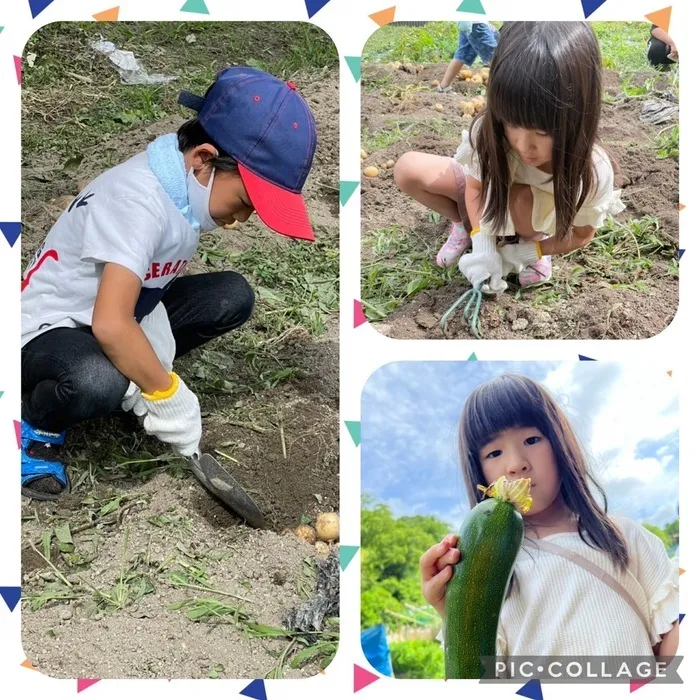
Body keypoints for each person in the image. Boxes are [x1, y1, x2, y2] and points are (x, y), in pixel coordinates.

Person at [21, 66, 318, 500]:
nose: (242, 219)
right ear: (203, 159)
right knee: (95, 379)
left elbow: (146, 292)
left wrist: (151, 356)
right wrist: (163, 389)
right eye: (244, 202)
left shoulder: (184, 191)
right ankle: (35, 424)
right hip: (50, 327)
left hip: (116, 309)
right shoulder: (136, 201)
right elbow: (109, 324)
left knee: (230, 296)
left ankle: (126, 375)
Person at [420, 374, 679, 672]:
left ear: (559, 445)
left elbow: (672, 632)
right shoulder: (483, 567)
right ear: (480, 472)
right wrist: (454, 611)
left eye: (531, 439)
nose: (516, 463)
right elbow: (477, 676)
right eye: (494, 452)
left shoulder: (622, 535)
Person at [394, 22, 625, 289]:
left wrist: (525, 253)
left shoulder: (593, 171)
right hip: (491, 196)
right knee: (408, 169)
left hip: (527, 212)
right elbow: (476, 186)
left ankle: (527, 241)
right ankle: (465, 226)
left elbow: (583, 234)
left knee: (521, 198)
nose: (524, 145)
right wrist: (482, 242)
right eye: (512, 122)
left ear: (581, 114)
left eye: (542, 131)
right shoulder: (490, 131)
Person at [437, 21, 500, 94]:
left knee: (463, 53)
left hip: (466, 23)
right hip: (475, 23)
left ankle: (443, 87)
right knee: (494, 57)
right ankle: (502, 91)